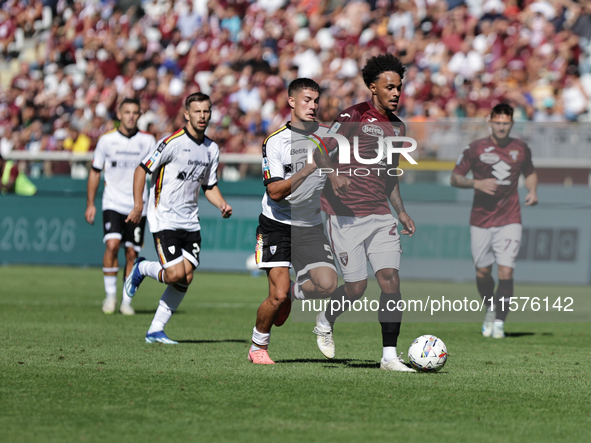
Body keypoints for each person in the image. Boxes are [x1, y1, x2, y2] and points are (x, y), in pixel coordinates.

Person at [313, 53, 417, 372]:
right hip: (344, 214)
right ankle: (325, 319)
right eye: (389, 87)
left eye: (399, 87)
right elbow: (319, 150)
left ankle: (388, 356)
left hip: (380, 214)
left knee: (390, 281)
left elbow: (390, 176)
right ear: (373, 87)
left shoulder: (398, 128)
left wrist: (401, 212)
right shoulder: (354, 115)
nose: (396, 93)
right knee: (356, 288)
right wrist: (333, 175)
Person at [124, 92, 232, 344]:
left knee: (187, 276)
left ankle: (155, 330)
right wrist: (139, 204)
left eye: (206, 111)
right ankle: (141, 268)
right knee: (173, 275)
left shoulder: (212, 149)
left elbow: (209, 186)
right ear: (186, 114)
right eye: (197, 111)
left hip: (190, 221)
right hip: (164, 218)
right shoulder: (171, 143)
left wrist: (222, 204)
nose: (203, 116)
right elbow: (142, 169)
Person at [248, 78, 339, 365]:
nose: (313, 106)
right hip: (276, 223)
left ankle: (293, 293)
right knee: (276, 294)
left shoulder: (329, 138)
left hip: (310, 225)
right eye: (306, 100)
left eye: (315, 101)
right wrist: (310, 167)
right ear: (291, 102)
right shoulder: (275, 142)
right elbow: (274, 192)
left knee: (328, 284)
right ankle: (257, 347)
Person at [451, 103, 537, 338]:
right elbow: (455, 178)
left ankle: (499, 321)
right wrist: (476, 183)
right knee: (482, 273)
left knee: (506, 272)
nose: (501, 127)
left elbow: (530, 172)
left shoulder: (520, 148)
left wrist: (532, 191)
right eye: (497, 122)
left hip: (510, 218)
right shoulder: (476, 148)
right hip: (480, 220)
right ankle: (491, 307)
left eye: (505, 123)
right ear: (490, 121)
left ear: (512, 123)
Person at [85, 98, 155, 315]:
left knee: (132, 252)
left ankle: (126, 301)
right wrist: (90, 203)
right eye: (127, 112)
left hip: (137, 205)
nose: (131, 116)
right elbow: (96, 171)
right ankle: (110, 296)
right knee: (112, 245)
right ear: (119, 114)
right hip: (113, 202)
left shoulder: (148, 141)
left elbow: (156, 173)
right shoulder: (106, 141)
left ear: (140, 115)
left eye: (135, 112)